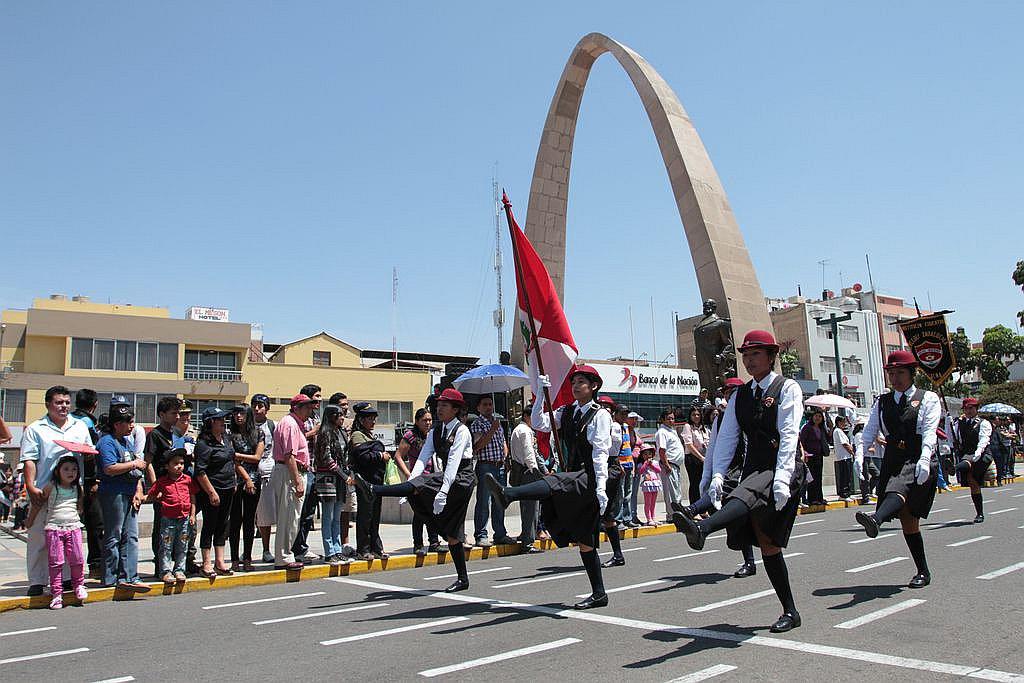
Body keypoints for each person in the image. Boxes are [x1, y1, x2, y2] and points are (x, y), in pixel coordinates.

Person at [674, 330, 807, 633]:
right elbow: (727, 438)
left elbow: (789, 434)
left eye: (756, 354)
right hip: (755, 469)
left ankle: (702, 528)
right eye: (745, 355)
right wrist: (718, 474)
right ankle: (791, 611)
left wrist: (783, 477)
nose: (749, 360)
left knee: (747, 498)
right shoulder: (740, 396)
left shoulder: (787, 388)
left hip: (781, 467)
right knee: (768, 545)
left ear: (771, 357)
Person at [483, 365, 613, 610]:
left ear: (594, 386)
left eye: (581, 382)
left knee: (554, 483)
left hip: (589, 476)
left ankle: (508, 494)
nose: (575, 386)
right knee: (585, 541)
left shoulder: (600, 415)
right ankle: (599, 594)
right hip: (573, 475)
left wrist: (601, 487)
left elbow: (600, 453)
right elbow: (539, 422)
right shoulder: (567, 411)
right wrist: (541, 396)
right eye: (573, 382)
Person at [354, 388, 476, 593]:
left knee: (426, 486)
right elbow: (422, 459)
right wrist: (410, 485)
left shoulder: (461, 431)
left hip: (461, 480)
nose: (439, 409)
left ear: (456, 409)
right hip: (448, 477)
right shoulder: (436, 431)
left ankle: (374, 489)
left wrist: (443, 492)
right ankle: (463, 579)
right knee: (452, 533)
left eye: (444, 405)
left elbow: (454, 463)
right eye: (438, 405)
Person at [854, 350, 941, 589]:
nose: (895, 378)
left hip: (917, 456)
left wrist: (925, 458)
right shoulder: (882, 402)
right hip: (894, 457)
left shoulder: (928, 398)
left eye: (900, 373)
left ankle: (876, 519)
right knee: (908, 520)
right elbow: (870, 431)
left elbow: (929, 431)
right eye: (891, 374)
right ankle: (923, 571)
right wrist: (860, 454)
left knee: (898, 489)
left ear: (912, 374)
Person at [676, 376, 757, 578]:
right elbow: (713, 447)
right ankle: (749, 561)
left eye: (732, 391)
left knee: (737, 509)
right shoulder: (720, 418)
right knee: (734, 514)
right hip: (726, 467)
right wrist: (709, 474)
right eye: (726, 392)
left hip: (745, 468)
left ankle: (692, 511)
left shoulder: (749, 411)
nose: (728, 395)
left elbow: (749, 443)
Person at [20, 385, 93, 596]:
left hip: (71, 492)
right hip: (45, 491)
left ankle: (67, 578)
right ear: (48, 404)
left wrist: (88, 455)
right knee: (39, 538)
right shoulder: (36, 428)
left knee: (70, 536)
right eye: (59, 402)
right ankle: (37, 580)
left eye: (67, 403)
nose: (63, 406)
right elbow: (29, 459)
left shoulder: (80, 426)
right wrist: (30, 486)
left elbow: (88, 452)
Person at [96, 402, 150, 592]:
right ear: (117, 424)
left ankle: (129, 576)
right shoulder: (107, 442)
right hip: (113, 493)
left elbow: (134, 469)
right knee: (114, 535)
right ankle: (110, 577)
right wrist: (134, 464)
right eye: (128, 422)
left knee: (131, 535)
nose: (132, 426)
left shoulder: (127, 442)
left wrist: (138, 490)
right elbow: (109, 468)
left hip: (129, 492)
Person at [34, 456, 87, 609]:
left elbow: (80, 506)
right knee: (56, 562)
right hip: (54, 528)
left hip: (74, 527)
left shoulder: (78, 488)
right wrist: (30, 520)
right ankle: (57, 594)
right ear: (58, 471)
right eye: (66, 469)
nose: (71, 472)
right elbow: (39, 503)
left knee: (77, 559)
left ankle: (79, 585)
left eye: (74, 469)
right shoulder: (51, 486)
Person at [271, 394, 317, 570]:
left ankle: (285, 554)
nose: (310, 410)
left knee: (292, 517)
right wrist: (297, 480)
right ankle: (284, 557)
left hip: (292, 471)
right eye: (307, 407)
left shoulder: (295, 424)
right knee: (289, 517)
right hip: (289, 472)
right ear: (296, 408)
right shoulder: (290, 424)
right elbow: (289, 456)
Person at [193, 407, 237, 578]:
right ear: (210, 422)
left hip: (228, 487)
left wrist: (233, 481)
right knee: (210, 525)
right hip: (213, 489)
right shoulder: (204, 444)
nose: (223, 422)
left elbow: (231, 460)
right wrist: (211, 492)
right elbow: (200, 471)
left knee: (223, 524)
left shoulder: (226, 438)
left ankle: (220, 561)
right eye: (219, 419)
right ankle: (206, 563)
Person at [394, 408, 443, 555]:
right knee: (419, 513)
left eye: (430, 420)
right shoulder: (411, 436)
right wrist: (409, 475)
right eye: (424, 420)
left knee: (433, 511)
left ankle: (434, 542)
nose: (428, 423)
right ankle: (418, 544)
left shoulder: (432, 434)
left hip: (432, 479)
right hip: (418, 480)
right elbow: (398, 456)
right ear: (417, 421)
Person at [144, 449, 196, 584]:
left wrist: (192, 515)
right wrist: (147, 498)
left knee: (182, 545)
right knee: (166, 545)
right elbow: (152, 495)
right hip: (168, 519)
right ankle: (165, 571)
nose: (179, 466)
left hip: (184, 519)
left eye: (182, 463)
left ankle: (179, 569)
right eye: (175, 463)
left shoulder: (187, 480)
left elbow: (192, 497)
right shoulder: (162, 482)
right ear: (167, 466)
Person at [143, 396, 180, 577]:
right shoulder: (155, 435)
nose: (177, 416)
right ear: (162, 414)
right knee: (161, 528)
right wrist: (155, 488)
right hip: (162, 488)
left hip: (177, 488)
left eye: (178, 413)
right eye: (173, 413)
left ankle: (177, 564)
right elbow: (148, 462)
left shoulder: (175, 434)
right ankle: (160, 566)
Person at [470, 395, 514, 547]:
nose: (489, 407)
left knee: (500, 501)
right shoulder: (477, 424)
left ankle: (500, 533)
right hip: (486, 466)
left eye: (490, 404)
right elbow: (478, 446)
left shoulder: (497, 422)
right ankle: (481, 535)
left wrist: (505, 456)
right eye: (485, 404)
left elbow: (503, 442)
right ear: (478, 408)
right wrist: (492, 429)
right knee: (484, 501)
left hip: (500, 466)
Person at [348, 402, 389, 560]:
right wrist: (380, 455)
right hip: (364, 481)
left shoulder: (369, 435)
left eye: (374, 418)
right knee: (365, 515)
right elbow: (362, 457)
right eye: (370, 418)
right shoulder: (358, 435)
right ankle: (363, 549)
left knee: (375, 514)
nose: (373, 421)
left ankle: (375, 547)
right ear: (361, 419)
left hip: (375, 481)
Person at [70, 389, 103, 576]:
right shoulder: (87, 423)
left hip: (66, 478)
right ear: (95, 404)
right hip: (87, 481)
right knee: (95, 524)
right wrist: (94, 479)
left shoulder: (69, 420)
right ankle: (96, 565)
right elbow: (91, 455)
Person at [314, 404, 352, 564]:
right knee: (328, 517)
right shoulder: (325, 433)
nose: (342, 418)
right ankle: (329, 552)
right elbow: (327, 458)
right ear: (331, 416)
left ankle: (337, 550)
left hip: (340, 480)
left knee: (337, 517)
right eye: (339, 415)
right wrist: (343, 475)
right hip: (328, 480)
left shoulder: (340, 433)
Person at [228, 406, 263, 571]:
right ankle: (234, 559)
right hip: (237, 481)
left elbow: (257, 458)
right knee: (235, 521)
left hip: (255, 480)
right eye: (235, 413)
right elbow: (233, 461)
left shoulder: (258, 433)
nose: (238, 416)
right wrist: (246, 478)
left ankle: (247, 558)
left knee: (249, 521)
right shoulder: (230, 435)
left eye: (242, 413)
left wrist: (237, 455)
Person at [508, 403, 545, 553]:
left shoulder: (520, 429)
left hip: (522, 472)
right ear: (526, 416)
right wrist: (536, 472)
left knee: (527, 508)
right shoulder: (525, 431)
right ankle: (528, 543)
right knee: (531, 509)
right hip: (528, 472)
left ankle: (526, 536)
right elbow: (529, 454)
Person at [291, 384, 322, 562]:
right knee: (299, 512)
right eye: (316, 397)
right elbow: (296, 440)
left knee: (309, 513)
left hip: (315, 469)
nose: (319, 401)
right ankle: (295, 548)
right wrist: (313, 432)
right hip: (302, 470)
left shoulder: (316, 417)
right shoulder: (297, 419)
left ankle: (302, 546)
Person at [950, 397, 992, 523]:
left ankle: (955, 468)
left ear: (976, 409)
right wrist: (948, 424)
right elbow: (952, 438)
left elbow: (984, 439)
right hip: (967, 454)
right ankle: (979, 513)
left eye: (971, 408)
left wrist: (978, 451)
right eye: (966, 409)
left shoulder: (983, 423)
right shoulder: (960, 423)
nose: (968, 411)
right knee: (973, 484)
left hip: (982, 455)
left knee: (972, 474)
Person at [250, 394, 277, 563]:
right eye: (254, 405)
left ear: (267, 408)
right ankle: (246, 552)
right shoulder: (246, 426)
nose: (256, 409)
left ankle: (266, 550)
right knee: (249, 515)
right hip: (249, 474)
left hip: (269, 473)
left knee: (265, 515)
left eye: (260, 406)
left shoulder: (273, 426)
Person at [656, 409, 685, 521]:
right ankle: (672, 515)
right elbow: (662, 450)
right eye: (668, 418)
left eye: (672, 418)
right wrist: (666, 464)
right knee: (670, 492)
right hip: (669, 465)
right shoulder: (662, 432)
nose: (671, 421)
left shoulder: (672, 431)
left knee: (676, 492)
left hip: (675, 465)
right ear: (663, 420)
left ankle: (678, 514)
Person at [613, 406, 637, 529]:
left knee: (628, 493)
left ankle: (627, 518)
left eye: (626, 414)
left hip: (629, 463)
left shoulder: (626, 428)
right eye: (622, 414)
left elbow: (629, 447)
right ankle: (618, 520)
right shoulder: (614, 427)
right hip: (620, 465)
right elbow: (614, 449)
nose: (624, 417)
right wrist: (618, 464)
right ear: (616, 414)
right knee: (620, 494)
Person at [799, 410, 830, 506]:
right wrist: (804, 454)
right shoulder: (807, 428)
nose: (817, 418)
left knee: (818, 478)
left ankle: (819, 498)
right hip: (809, 457)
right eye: (816, 416)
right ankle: (812, 499)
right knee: (811, 479)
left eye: (820, 416)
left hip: (819, 456)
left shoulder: (821, 428)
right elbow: (802, 442)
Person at [680, 406, 710, 504]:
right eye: (693, 415)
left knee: (704, 483)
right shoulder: (688, 426)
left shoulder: (704, 428)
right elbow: (689, 445)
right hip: (693, 458)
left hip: (704, 458)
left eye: (698, 414)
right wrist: (701, 457)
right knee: (695, 483)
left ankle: (703, 505)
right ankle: (694, 506)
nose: (696, 417)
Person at [626, 412, 644, 526]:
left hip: (637, 466)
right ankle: (627, 516)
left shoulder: (634, 432)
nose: (634, 421)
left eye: (635, 419)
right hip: (629, 465)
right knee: (628, 492)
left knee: (634, 493)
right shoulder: (625, 432)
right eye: (632, 418)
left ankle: (633, 515)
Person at [637, 444, 662, 525]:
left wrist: (651, 465)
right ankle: (649, 519)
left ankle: (653, 518)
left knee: (653, 503)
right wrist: (646, 464)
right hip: (647, 484)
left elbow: (658, 470)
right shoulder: (641, 464)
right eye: (645, 454)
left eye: (649, 454)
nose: (647, 456)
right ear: (642, 455)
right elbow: (640, 471)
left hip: (655, 483)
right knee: (648, 503)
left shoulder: (655, 462)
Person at [833, 415, 855, 502]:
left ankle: (847, 493)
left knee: (847, 476)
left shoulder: (840, 431)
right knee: (844, 476)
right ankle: (843, 494)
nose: (845, 424)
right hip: (843, 457)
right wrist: (852, 452)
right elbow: (845, 444)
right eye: (843, 422)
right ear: (839, 422)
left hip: (846, 457)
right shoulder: (838, 431)